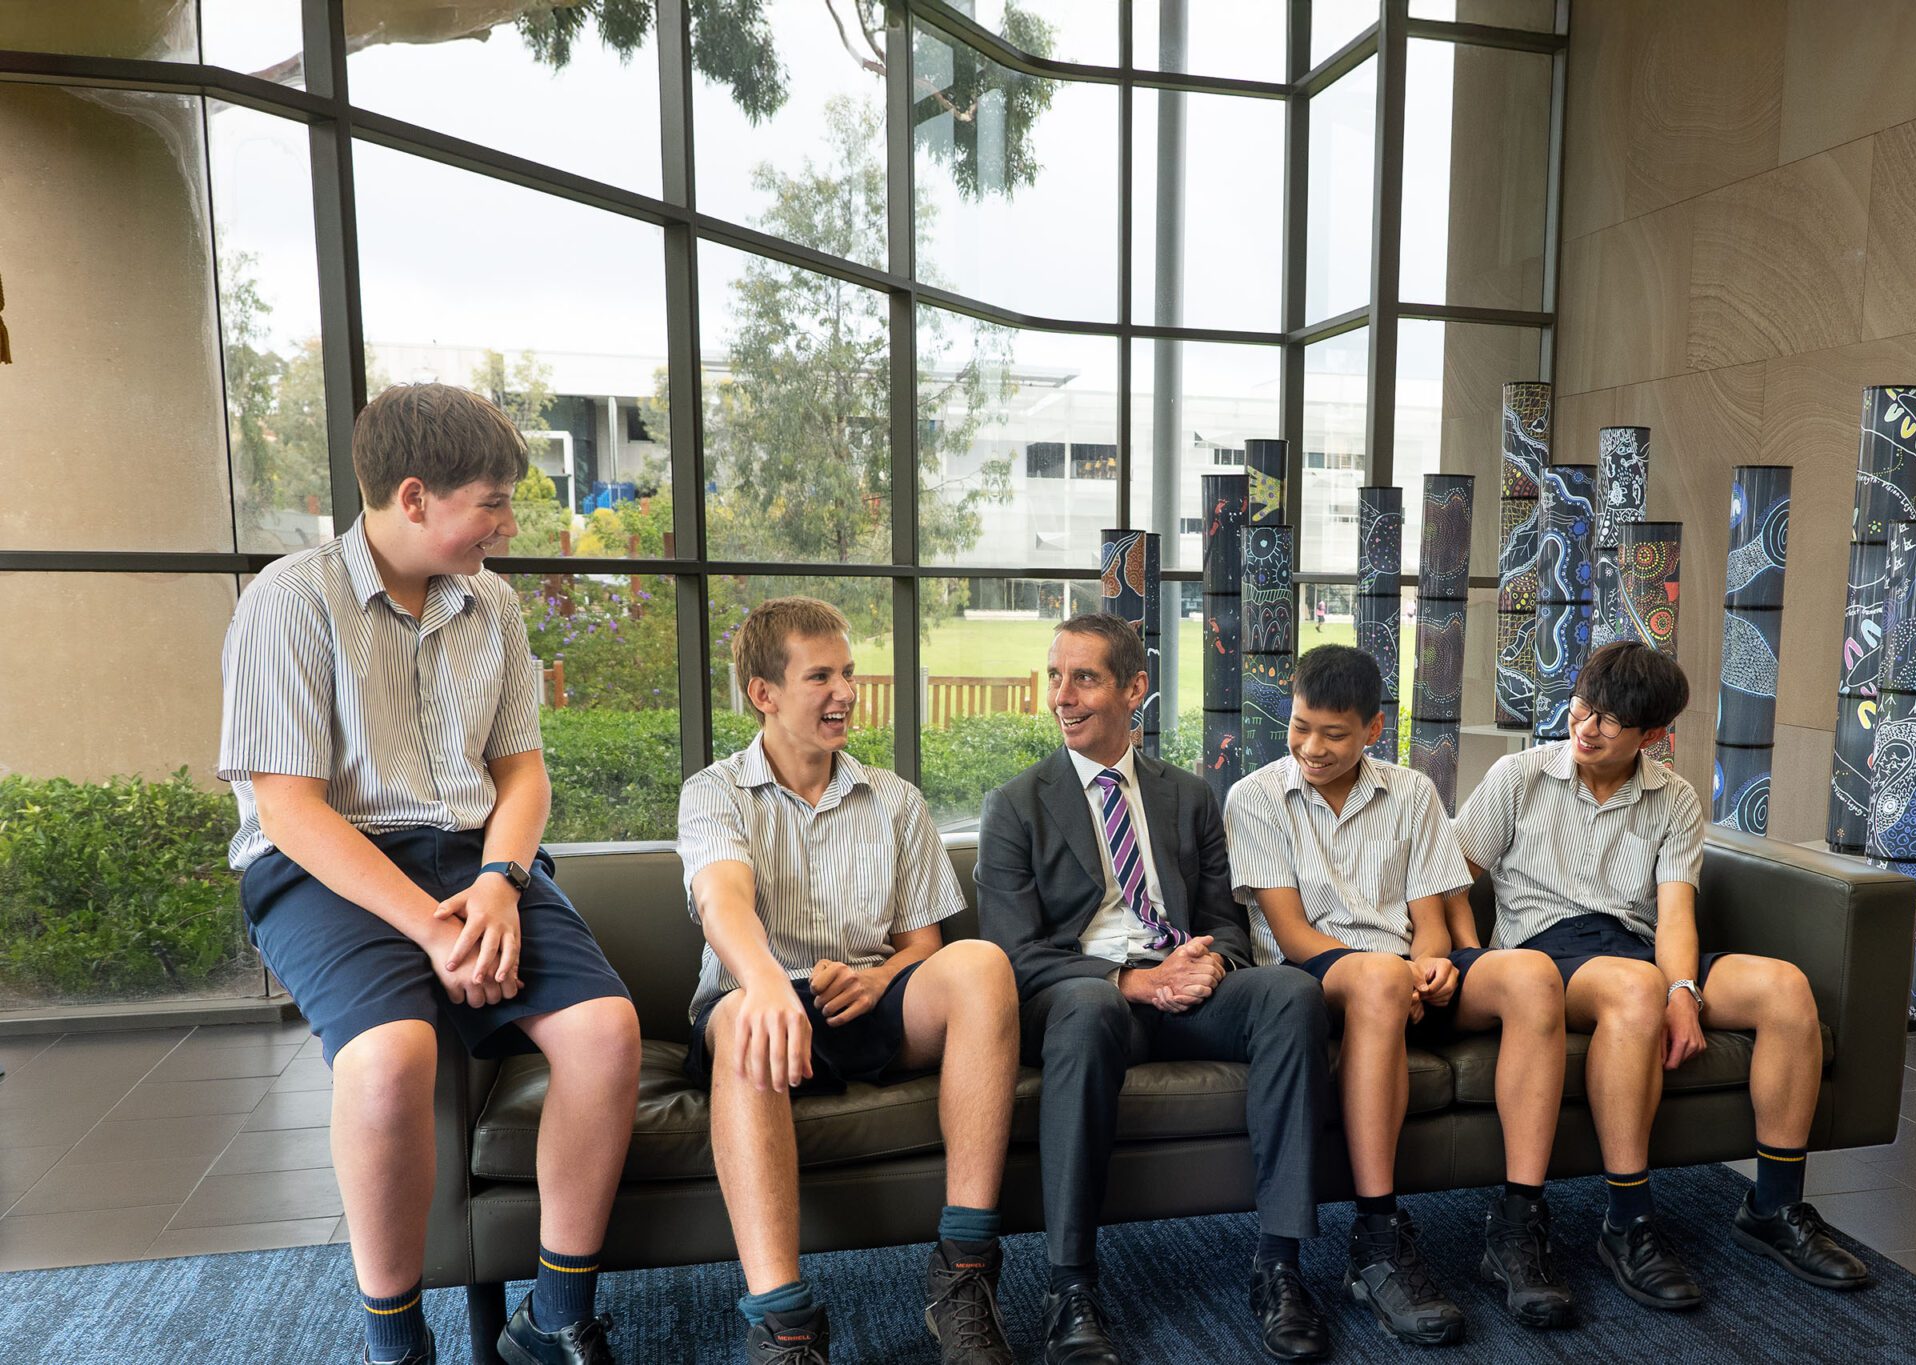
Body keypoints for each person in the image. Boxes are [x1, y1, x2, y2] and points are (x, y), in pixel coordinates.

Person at [219, 383, 641, 1365]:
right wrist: (432, 926)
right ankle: (398, 1345)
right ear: (414, 498)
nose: (506, 524)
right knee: (389, 1061)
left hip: (476, 855)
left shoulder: (490, 604)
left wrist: (499, 883)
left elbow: (520, 772)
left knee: (606, 1034)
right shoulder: (289, 601)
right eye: (491, 503)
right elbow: (289, 808)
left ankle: (557, 1317)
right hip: (325, 865)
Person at [1452, 640, 1870, 1312]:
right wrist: (1471, 954)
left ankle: (1773, 1206)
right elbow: (1449, 879)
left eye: (1608, 722)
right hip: (1545, 952)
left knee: (1786, 988)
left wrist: (1683, 990)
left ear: (1653, 735)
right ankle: (1629, 1222)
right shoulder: (1518, 777)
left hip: (1637, 952)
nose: (1585, 728)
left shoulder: (1672, 797)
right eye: (1582, 709)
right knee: (1634, 986)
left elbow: (1676, 914)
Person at [977, 613, 1333, 1365]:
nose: (1061, 696)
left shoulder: (1191, 797)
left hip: (1187, 989)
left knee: (1291, 993)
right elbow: (1013, 956)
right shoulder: (1016, 805)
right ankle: (1069, 1285)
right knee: (1089, 1005)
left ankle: (1280, 1266)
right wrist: (1133, 981)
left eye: (1085, 678)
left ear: (1135, 688)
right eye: (1055, 676)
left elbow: (1226, 928)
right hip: (1087, 996)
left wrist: (1212, 966)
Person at [679, 597, 1021, 1365]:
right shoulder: (715, 792)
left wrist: (880, 979)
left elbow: (923, 946)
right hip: (757, 999)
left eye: (849, 673)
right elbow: (723, 901)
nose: (845, 692)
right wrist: (765, 983)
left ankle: (963, 1277)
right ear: (764, 693)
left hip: (863, 1001)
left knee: (981, 965)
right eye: (820, 676)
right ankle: (785, 1325)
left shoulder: (894, 799)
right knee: (743, 1018)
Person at [1226, 645, 1576, 1343]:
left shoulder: (1413, 792)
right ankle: (1378, 1236)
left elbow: (1429, 920)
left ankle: (1516, 1224)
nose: (1312, 748)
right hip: (1316, 978)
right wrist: (1390, 974)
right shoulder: (1255, 797)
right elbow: (1292, 935)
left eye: (1334, 733)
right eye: (1300, 727)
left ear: (1372, 730)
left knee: (1534, 973)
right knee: (1380, 978)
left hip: (1404, 977)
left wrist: (1434, 965)